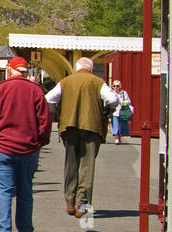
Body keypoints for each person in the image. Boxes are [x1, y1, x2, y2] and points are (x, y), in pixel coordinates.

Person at [0, 56, 51, 232]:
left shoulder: (0, 90)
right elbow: (45, 123)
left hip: (3, 149)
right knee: (25, 190)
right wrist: (39, 143)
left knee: (4, 192)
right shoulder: (36, 91)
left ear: (10, 69)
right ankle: (26, 231)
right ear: (26, 71)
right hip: (28, 150)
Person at [45, 57, 119, 217]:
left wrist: (59, 109)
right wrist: (106, 109)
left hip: (69, 127)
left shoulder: (66, 81)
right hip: (92, 128)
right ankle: (82, 205)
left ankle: (70, 202)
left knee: (71, 164)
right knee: (87, 167)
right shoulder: (98, 82)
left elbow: (49, 98)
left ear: (76, 69)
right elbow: (113, 99)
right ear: (91, 69)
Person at [109, 79, 132, 144]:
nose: (116, 87)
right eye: (114, 86)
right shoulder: (111, 93)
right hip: (114, 112)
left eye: (117, 86)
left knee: (121, 125)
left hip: (122, 112)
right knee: (115, 125)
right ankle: (116, 138)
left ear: (120, 86)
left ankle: (119, 137)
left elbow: (128, 102)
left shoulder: (124, 93)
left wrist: (121, 103)